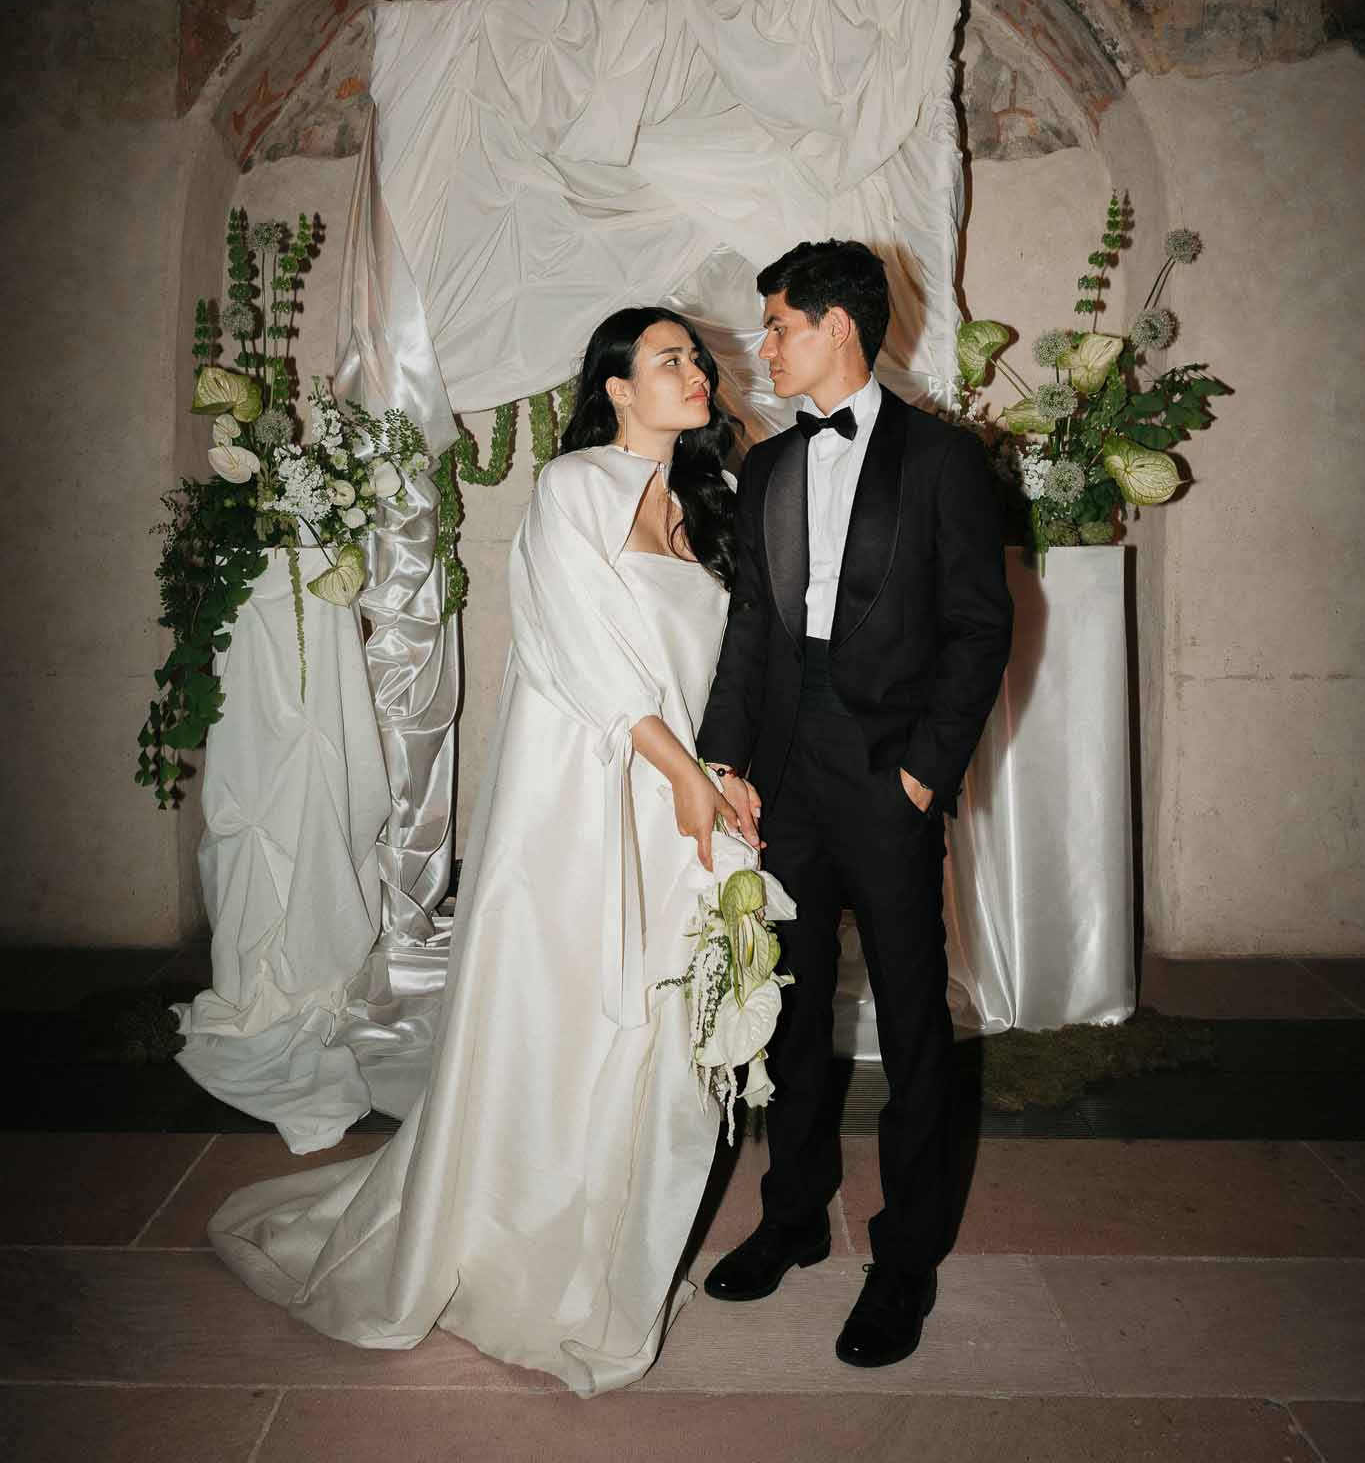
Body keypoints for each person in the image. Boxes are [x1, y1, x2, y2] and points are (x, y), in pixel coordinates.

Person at [209, 307, 762, 1396]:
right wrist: (690, 774)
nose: (695, 372)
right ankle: (520, 1252)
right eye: (669, 359)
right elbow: (584, 658)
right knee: (564, 1016)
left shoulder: (718, 504)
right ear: (613, 386)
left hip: (682, 799)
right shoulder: (572, 490)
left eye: (698, 358)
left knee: (660, 1028)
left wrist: (725, 766)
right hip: (587, 799)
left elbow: (731, 661)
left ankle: (613, 1250)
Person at [697, 239, 1013, 1368]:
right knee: (787, 1008)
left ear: (838, 325)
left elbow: (982, 629)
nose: (764, 342)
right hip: (782, 775)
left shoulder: (942, 460)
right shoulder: (771, 466)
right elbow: (747, 629)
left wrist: (924, 771)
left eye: (777, 322)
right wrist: (722, 762)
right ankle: (792, 1220)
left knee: (916, 1020)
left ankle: (905, 1258)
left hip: (889, 774)